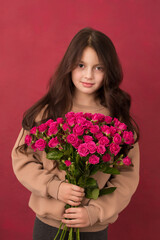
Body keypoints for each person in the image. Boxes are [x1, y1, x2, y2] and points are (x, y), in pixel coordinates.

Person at [11, 27, 140, 240]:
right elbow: (22, 158)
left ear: (109, 71)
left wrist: (94, 212)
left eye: (98, 68)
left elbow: (126, 179)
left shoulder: (118, 121)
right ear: (69, 66)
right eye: (81, 65)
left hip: (93, 229)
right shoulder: (48, 112)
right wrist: (55, 187)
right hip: (48, 226)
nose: (88, 75)